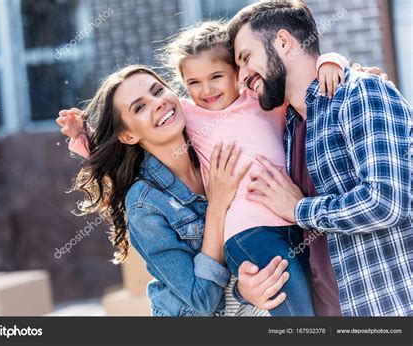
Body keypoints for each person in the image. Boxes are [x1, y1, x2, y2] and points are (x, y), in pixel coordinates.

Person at [57, 22, 348, 316]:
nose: (159, 104)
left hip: (283, 237)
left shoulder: (220, 115)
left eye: (159, 90)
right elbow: (202, 298)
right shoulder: (147, 200)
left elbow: (294, 82)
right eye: (140, 107)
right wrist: (217, 206)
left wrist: (335, 67)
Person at [228, 0, 412, 316]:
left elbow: (387, 203)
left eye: (246, 59)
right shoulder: (285, 131)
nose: (242, 76)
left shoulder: (360, 93)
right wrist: (243, 291)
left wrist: (298, 209)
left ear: (283, 42)